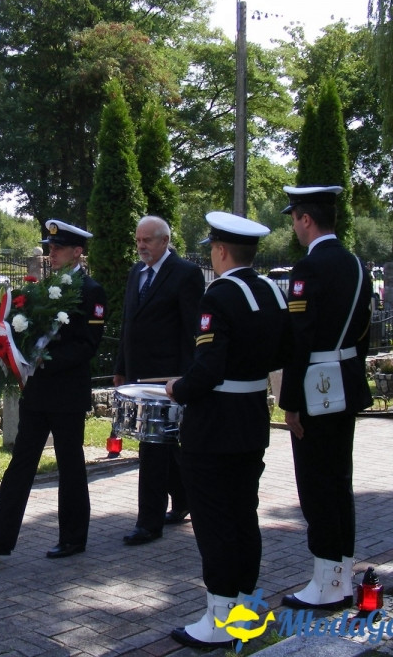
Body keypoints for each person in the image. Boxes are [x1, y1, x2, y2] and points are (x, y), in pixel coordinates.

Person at [164, 212, 289, 648]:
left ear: (220, 251)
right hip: (252, 417)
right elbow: (284, 352)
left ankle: (220, 619)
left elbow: (208, 370)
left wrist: (177, 387)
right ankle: (245, 610)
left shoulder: (218, 295)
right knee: (243, 517)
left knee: (215, 522)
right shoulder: (271, 290)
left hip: (214, 425)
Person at [0, 219, 107, 559]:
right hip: (39, 390)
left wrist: (45, 360)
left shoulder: (91, 291)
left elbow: (88, 345)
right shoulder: (43, 288)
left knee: (69, 464)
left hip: (68, 391)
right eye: (49, 248)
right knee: (21, 461)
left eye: (57, 248)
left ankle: (73, 537)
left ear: (77, 251)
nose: (51, 253)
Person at [278, 185, 373, 610]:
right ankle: (343, 574)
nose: (295, 227)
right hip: (347, 380)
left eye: (295, 218)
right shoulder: (356, 264)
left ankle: (326, 582)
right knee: (340, 481)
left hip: (315, 388)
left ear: (306, 219)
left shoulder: (308, 269)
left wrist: (290, 402)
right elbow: (365, 331)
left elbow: (300, 340)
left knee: (316, 485)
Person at [113, 216, 204, 546]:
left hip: (168, 379)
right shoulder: (136, 273)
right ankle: (184, 500)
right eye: (138, 240)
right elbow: (128, 323)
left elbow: (192, 330)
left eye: (147, 240)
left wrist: (185, 379)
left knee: (153, 450)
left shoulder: (186, 274)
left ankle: (148, 523)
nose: (141, 246)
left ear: (165, 241)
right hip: (139, 375)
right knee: (163, 446)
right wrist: (122, 366)